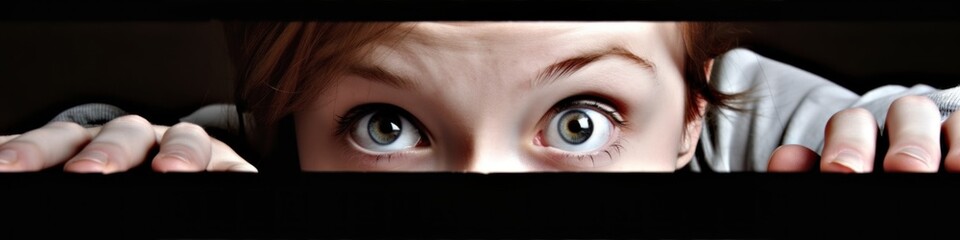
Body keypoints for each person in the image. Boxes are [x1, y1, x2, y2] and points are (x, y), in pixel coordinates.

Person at [0, 21, 957, 173]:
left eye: (580, 123)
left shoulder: (762, 121)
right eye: (388, 128)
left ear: (688, 128)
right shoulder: (255, 153)